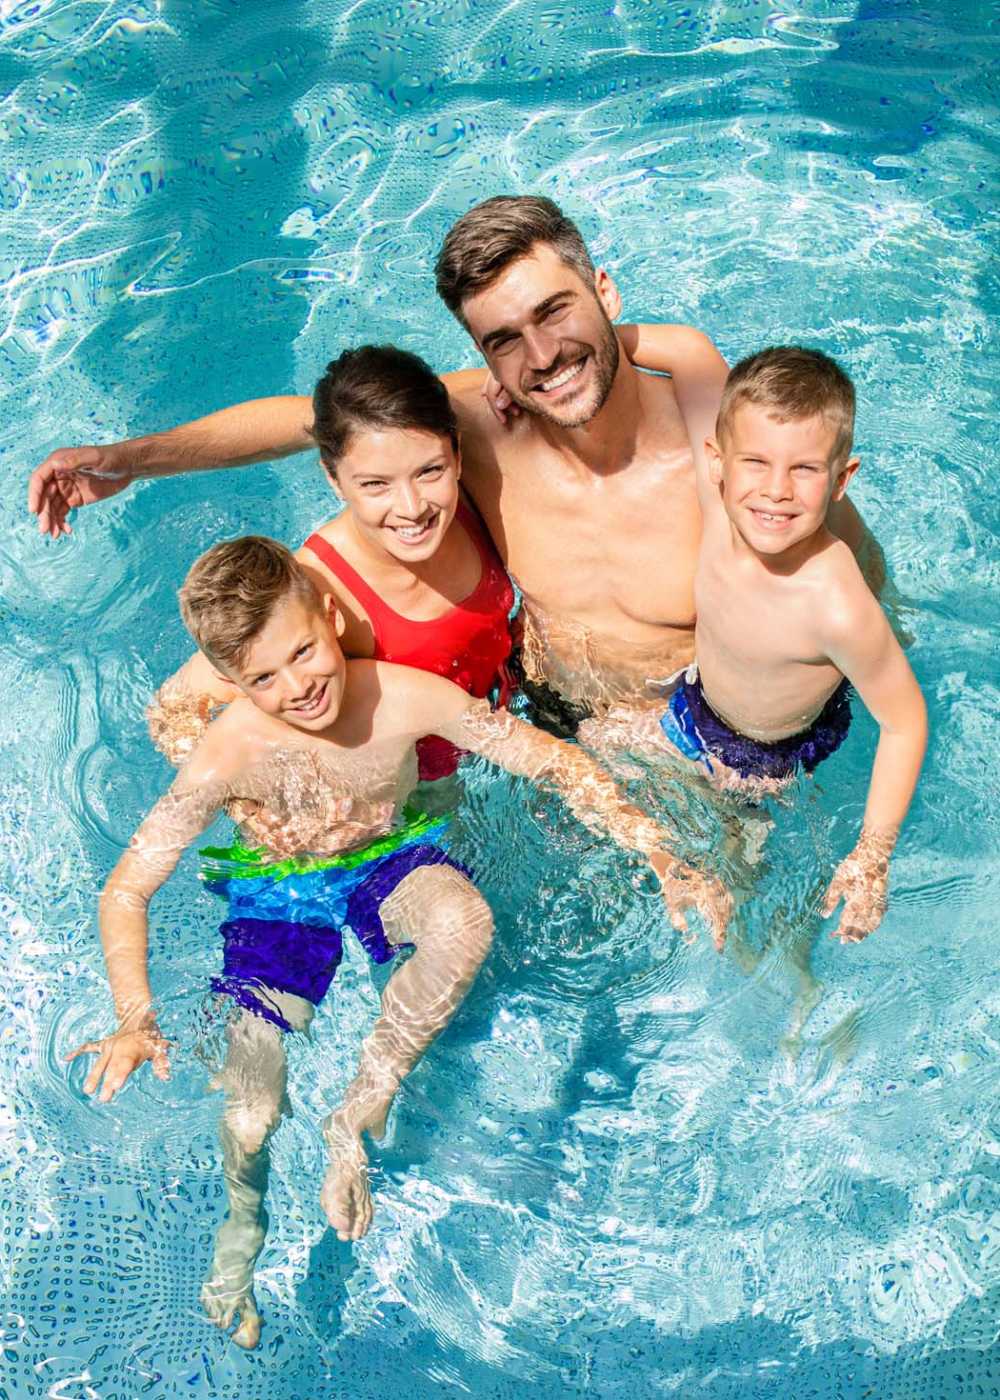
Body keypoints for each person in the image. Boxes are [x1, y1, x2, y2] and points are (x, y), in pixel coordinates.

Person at [67, 536, 730, 1350]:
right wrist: (134, 1015)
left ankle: (360, 1108)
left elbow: (554, 764)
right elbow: (127, 888)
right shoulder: (228, 751)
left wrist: (655, 847)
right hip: (280, 894)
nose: (298, 687)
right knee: (249, 1112)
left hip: (386, 857)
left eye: (304, 653)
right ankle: (242, 1231)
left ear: (332, 616)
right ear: (232, 685)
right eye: (261, 679)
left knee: (465, 921)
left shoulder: (403, 698)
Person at [27, 195, 877, 724]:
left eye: (556, 312)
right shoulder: (476, 425)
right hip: (541, 719)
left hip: (705, 734)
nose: (541, 357)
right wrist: (132, 459)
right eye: (504, 340)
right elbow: (311, 418)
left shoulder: (717, 444)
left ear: (607, 295)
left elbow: (843, 563)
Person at [582, 345, 927, 944]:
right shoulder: (720, 513)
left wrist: (872, 857)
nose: (776, 491)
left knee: (736, 906)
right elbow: (688, 357)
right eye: (757, 463)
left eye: (805, 469)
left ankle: (790, 990)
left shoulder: (834, 602)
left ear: (842, 479)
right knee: (582, 751)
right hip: (692, 711)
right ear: (717, 462)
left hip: (763, 763)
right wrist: (555, 360)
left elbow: (905, 723)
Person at [153, 343, 516, 788]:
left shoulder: (471, 501)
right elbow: (175, 710)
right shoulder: (317, 588)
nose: (412, 507)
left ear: (457, 455)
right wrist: (248, 798)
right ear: (333, 478)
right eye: (375, 484)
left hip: (503, 726)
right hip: (415, 792)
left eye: (429, 471)